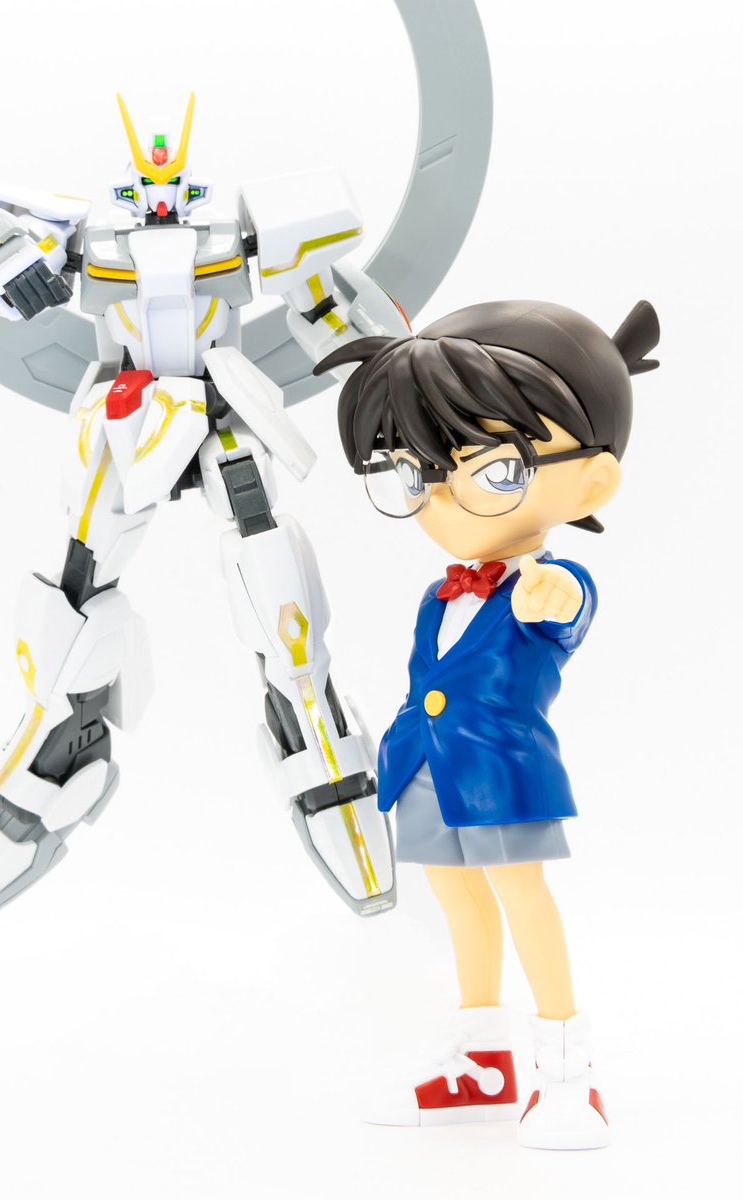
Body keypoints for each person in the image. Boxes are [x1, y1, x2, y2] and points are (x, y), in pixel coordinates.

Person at [316, 298, 660, 1149]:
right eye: (414, 472)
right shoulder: (439, 594)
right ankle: (481, 1062)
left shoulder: (547, 584)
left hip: (501, 774)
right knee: (457, 900)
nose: (440, 500)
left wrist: (556, 591)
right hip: (424, 770)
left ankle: (566, 1071)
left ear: (592, 482)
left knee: (521, 898)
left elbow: (566, 606)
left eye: (493, 470)